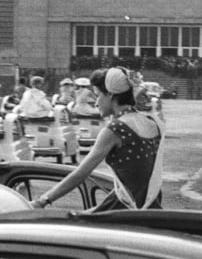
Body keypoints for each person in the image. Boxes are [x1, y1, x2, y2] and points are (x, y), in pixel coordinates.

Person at [31, 67, 164, 211]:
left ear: (111, 95)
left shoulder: (116, 129)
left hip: (126, 210)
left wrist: (42, 201)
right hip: (152, 208)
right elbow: (137, 180)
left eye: (98, 95)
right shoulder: (153, 122)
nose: (95, 103)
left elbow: (81, 173)